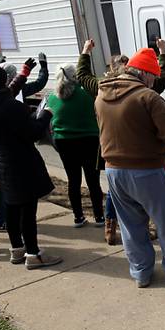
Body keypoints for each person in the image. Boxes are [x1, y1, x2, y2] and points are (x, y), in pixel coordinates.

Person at [95, 47, 165, 288]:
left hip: (114, 170)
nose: (154, 81)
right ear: (146, 74)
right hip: (148, 169)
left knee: (130, 226)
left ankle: (141, 273)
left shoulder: (101, 95)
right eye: (154, 77)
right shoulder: (148, 97)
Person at [0, 60, 62, 269]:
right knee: (28, 212)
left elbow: (7, 94)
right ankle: (33, 254)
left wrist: (23, 75)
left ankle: (17, 249)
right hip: (21, 162)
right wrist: (46, 113)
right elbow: (34, 132)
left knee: (11, 206)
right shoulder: (9, 106)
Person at [77, 39, 165, 245]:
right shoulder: (147, 91)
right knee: (147, 201)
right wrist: (163, 52)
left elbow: (82, 76)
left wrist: (85, 52)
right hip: (142, 158)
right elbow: (162, 78)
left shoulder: (100, 88)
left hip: (112, 155)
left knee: (116, 194)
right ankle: (147, 231)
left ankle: (110, 227)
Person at [44, 64, 104, 228]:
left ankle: (78, 216)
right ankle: (99, 216)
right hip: (89, 140)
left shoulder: (52, 97)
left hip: (64, 142)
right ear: (74, 76)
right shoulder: (86, 94)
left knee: (73, 180)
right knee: (93, 181)